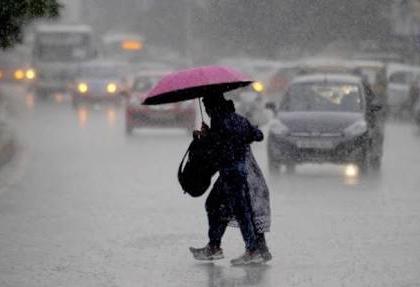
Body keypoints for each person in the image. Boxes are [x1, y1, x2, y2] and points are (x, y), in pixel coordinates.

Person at [189, 93, 271, 265]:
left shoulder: (220, 121)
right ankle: (215, 246)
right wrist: (244, 133)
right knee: (219, 206)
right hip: (240, 173)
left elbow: (215, 148)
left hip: (231, 174)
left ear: (213, 107)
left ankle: (251, 249)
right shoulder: (238, 119)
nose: (207, 111)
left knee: (239, 211)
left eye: (207, 108)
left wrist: (203, 138)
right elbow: (258, 135)